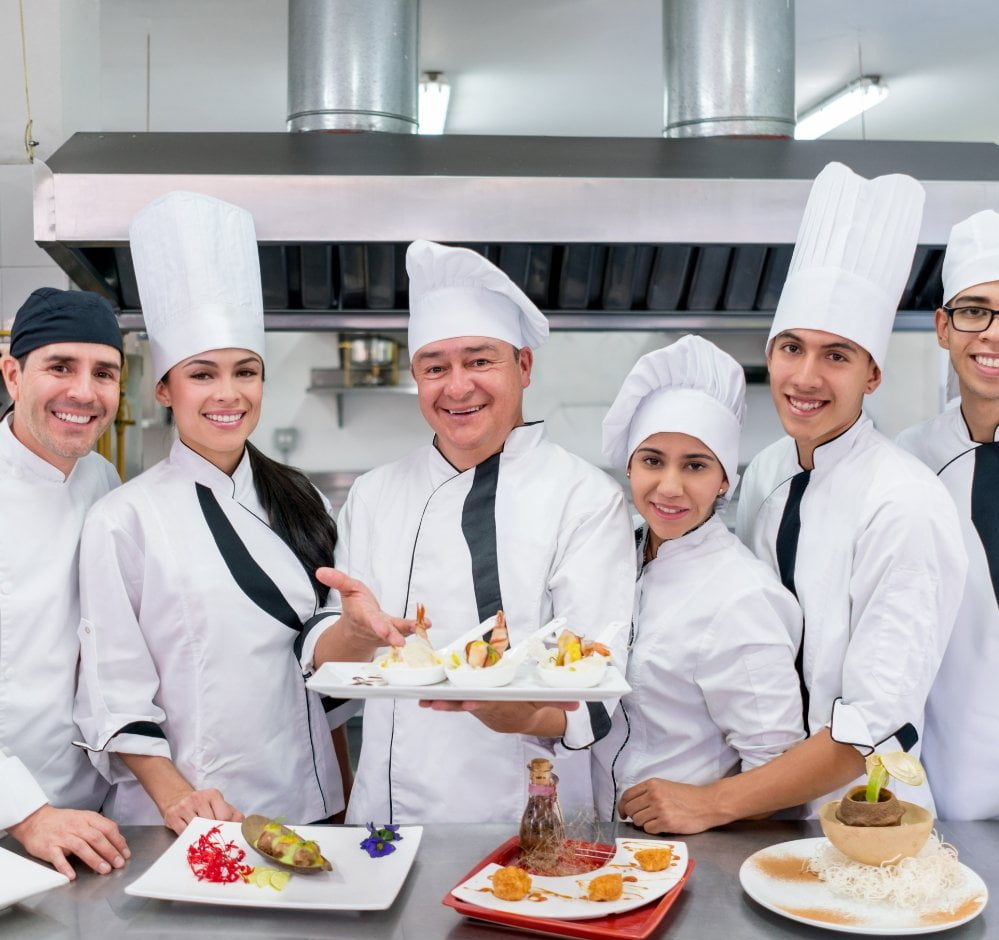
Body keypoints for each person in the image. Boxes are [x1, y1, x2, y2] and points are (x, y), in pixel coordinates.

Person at [611, 163, 966, 834]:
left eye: (836, 355)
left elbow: (873, 719)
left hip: (869, 820)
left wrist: (711, 800)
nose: (805, 377)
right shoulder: (770, 471)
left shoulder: (904, 504)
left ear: (873, 372)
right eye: (791, 349)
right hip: (770, 817)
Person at [73, 192, 413, 833]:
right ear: (165, 390)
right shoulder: (125, 518)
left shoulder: (300, 497)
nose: (228, 394)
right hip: (188, 819)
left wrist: (336, 806)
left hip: (306, 809)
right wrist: (182, 804)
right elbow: (113, 693)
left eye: (245, 371)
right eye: (202, 374)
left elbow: (321, 681)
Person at [338, 239, 636, 824]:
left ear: (523, 366)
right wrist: (349, 632)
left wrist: (520, 715)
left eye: (479, 361)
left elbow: (601, 684)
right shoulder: (374, 494)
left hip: (527, 815)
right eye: (434, 367)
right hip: (384, 814)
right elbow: (348, 656)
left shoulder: (584, 499)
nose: (456, 387)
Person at [591, 335, 805, 831]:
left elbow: (777, 763)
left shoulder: (740, 596)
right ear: (629, 466)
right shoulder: (610, 557)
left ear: (724, 479)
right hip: (603, 836)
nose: (669, 487)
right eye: (652, 460)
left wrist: (707, 809)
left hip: (691, 850)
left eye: (695, 465)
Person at [0, 287, 130, 879]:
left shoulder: (102, 479)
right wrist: (24, 813)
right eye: (60, 366)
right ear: (12, 374)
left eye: (103, 372)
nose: (83, 391)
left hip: (84, 819)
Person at [896, 209, 999, 820]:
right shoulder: (906, 465)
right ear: (942, 327)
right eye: (973, 310)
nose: (991, 333)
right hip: (944, 787)